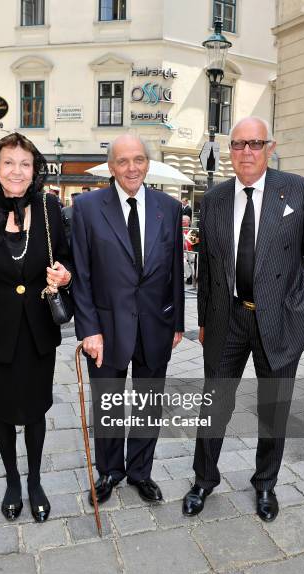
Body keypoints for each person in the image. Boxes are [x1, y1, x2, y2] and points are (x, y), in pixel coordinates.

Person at [182, 117, 304, 522]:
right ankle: (203, 479)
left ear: (270, 146)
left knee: (273, 407)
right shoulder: (213, 199)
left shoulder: (297, 190)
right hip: (227, 318)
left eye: (255, 144)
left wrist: (301, 315)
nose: (246, 152)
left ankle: (265, 484)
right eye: (239, 144)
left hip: (279, 321)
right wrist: (205, 321)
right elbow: (210, 270)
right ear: (230, 150)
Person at [0, 133, 72, 523]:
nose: (17, 171)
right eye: (9, 163)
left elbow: (66, 257)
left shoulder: (50, 208)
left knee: (35, 411)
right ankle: (12, 481)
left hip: (37, 332)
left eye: (25, 164)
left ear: (34, 169)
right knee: (2, 413)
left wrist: (65, 275)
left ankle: (35, 481)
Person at [71, 134, 184, 505]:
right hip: (106, 328)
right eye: (123, 161)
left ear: (147, 163)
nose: (132, 167)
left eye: (138, 159)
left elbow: (173, 269)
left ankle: (140, 472)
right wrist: (88, 330)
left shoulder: (167, 207)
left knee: (149, 403)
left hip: (155, 324)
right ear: (111, 166)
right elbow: (82, 275)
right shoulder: (87, 207)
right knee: (109, 403)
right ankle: (109, 471)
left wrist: (177, 322)